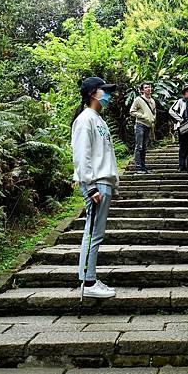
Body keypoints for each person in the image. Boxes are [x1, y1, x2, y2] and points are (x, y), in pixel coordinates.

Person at [71, 76, 119, 298]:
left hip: (104, 182)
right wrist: (90, 186)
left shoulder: (98, 119)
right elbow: (82, 156)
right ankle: (88, 282)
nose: (107, 95)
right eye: (104, 91)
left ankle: (90, 278)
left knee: (97, 232)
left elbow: (105, 154)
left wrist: (113, 183)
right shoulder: (85, 119)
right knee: (92, 232)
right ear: (93, 93)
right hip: (95, 183)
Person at [169, 84, 188, 173]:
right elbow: (171, 110)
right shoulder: (180, 101)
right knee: (183, 146)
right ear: (184, 93)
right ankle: (182, 166)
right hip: (183, 126)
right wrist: (181, 119)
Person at [129, 81, 157, 174]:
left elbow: (154, 112)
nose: (148, 89)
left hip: (148, 126)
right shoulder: (138, 99)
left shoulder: (152, 101)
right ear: (142, 90)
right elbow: (132, 111)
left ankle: (143, 167)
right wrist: (143, 116)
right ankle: (138, 167)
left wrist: (153, 119)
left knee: (144, 147)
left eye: (149, 87)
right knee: (139, 146)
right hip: (140, 125)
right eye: (146, 87)